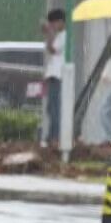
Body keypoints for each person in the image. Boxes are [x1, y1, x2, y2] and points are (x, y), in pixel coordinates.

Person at [40, 8, 68, 147]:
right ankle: (52, 135)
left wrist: (49, 33)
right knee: (51, 107)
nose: (52, 26)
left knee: (55, 108)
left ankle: (54, 136)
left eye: (53, 23)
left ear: (60, 22)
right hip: (53, 74)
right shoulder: (59, 35)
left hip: (58, 75)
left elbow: (52, 49)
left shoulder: (64, 35)